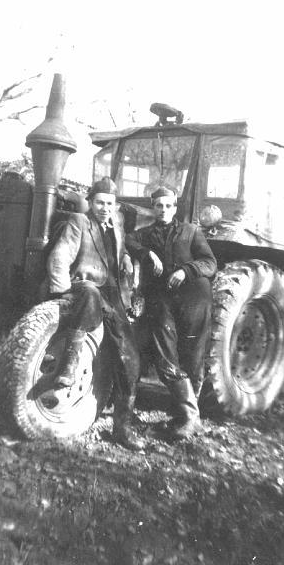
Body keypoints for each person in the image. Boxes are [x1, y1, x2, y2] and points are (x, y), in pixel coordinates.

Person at [46, 177, 144, 451]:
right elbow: (60, 254)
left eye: (109, 204)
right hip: (84, 286)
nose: (104, 208)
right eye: (99, 202)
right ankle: (69, 363)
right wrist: (60, 291)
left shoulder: (118, 225)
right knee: (89, 293)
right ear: (90, 202)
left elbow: (119, 254)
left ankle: (122, 428)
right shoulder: (79, 221)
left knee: (130, 357)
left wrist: (125, 263)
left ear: (115, 206)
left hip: (113, 295)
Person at [126, 186, 217, 440]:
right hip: (163, 301)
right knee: (166, 355)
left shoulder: (191, 232)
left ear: (175, 208)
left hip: (194, 299)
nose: (163, 210)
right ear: (153, 207)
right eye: (158, 205)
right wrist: (147, 254)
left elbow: (210, 263)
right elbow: (128, 240)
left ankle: (186, 417)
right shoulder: (145, 235)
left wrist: (185, 271)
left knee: (193, 356)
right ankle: (189, 417)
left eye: (168, 206)